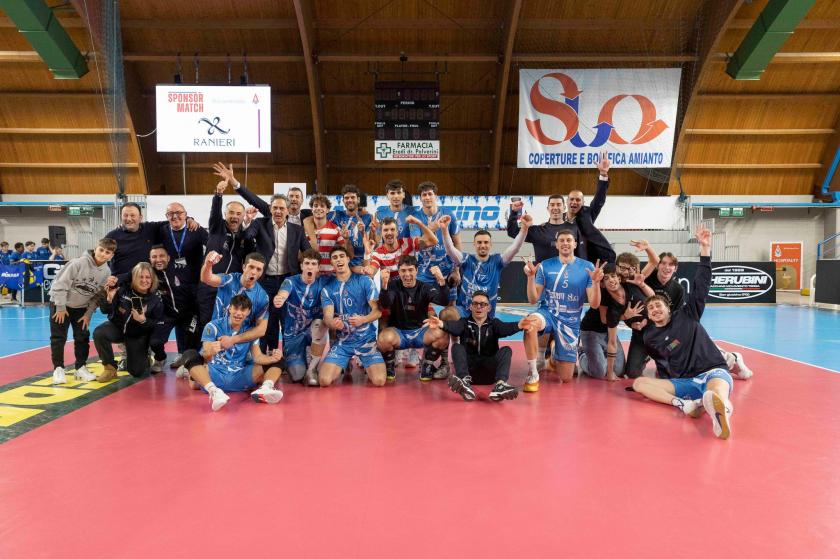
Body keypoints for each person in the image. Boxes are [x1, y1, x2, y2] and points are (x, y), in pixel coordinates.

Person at [631, 226, 735, 440]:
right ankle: (685, 404)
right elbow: (663, 364)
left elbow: (701, 286)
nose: (655, 309)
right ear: (648, 315)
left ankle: (721, 412)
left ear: (669, 308)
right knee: (639, 383)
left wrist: (705, 249)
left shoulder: (688, 314)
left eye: (658, 305)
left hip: (712, 371)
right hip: (686, 383)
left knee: (716, 391)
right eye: (651, 308)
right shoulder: (650, 337)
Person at [214, 163, 311, 351]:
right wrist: (247, 223)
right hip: (265, 280)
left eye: (282, 208)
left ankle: (289, 355)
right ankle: (267, 355)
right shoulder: (260, 223)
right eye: (275, 208)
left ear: (287, 210)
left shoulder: (297, 230)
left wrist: (312, 270)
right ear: (270, 209)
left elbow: (307, 252)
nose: (278, 211)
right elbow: (246, 235)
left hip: (288, 280)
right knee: (267, 319)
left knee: (288, 319)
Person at [642, 252, 753, 380]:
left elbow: (700, 289)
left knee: (687, 336)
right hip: (660, 334)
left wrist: (705, 251)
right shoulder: (647, 280)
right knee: (669, 355)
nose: (667, 267)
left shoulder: (679, 293)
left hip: (679, 335)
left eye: (671, 264)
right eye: (663, 263)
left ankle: (732, 358)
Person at [521, 230, 604, 392]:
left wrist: (595, 283)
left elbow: (594, 304)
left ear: (575, 244)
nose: (565, 243)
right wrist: (530, 278)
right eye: (562, 240)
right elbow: (533, 299)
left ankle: (553, 356)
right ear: (557, 245)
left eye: (569, 240)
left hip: (570, 320)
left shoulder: (587, 267)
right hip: (548, 312)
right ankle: (533, 372)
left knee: (566, 378)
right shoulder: (545, 265)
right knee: (529, 325)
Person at [181, 294, 285, 411]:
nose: (238, 313)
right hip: (215, 374)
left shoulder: (251, 331)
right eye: (235, 308)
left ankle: (265, 388)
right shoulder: (213, 326)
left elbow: (258, 357)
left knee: (279, 360)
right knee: (189, 355)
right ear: (230, 308)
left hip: (239, 375)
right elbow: (205, 355)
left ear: (248, 312)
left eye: (243, 310)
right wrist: (211, 351)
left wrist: (272, 358)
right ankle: (214, 392)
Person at [426, 290, 535, 401]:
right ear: (470, 307)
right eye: (475, 304)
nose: (479, 307)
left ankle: (500, 385)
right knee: (456, 347)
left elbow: (506, 328)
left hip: (490, 373)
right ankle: (464, 383)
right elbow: (454, 327)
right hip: (469, 372)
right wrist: (441, 323)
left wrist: (519, 325)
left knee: (506, 350)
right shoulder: (464, 323)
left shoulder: (494, 324)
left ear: (489, 308)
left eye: (483, 304)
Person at [49, 237, 117, 384]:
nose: (103, 254)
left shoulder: (106, 272)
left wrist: (88, 314)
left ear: (111, 255)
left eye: (107, 252)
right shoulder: (78, 263)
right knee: (58, 337)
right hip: (60, 304)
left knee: (82, 337)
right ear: (96, 248)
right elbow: (59, 284)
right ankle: (58, 369)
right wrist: (60, 307)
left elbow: (98, 296)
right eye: (101, 250)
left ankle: (80, 367)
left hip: (81, 308)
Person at [318, 246, 386, 387]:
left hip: (366, 341)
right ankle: (345, 361)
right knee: (324, 381)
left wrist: (363, 319)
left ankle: (365, 361)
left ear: (348, 259)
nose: (339, 260)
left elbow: (378, 311)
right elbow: (327, 317)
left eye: (341, 256)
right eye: (335, 258)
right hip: (343, 343)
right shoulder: (327, 289)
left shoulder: (365, 281)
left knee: (379, 381)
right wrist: (333, 323)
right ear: (331, 263)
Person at [440, 213, 529, 318]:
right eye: (479, 242)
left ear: (490, 245)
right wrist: (444, 230)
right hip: (464, 311)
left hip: (486, 316)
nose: (483, 245)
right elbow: (450, 249)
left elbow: (515, 248)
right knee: (446, 314)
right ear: (474, 244)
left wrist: (524, 229)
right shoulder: (466, 259)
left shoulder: (497, 261)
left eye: (486, 242)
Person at [377, 255, 450, 381]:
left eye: (410, 270)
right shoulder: (393, 285)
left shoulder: (424, 287)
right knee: (383, 339)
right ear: (399, 272)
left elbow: (443, 301)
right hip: (398, 333)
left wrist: (441, 281)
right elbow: (385, 304)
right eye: (403, 271)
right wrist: (384, 285)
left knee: (443, 335)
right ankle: (389, 366)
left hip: (421, 332)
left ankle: (427, 365)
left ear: (417, 270)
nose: (407, 274)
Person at [578, 263, 652, 381]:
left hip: (608, 330)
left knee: (620, 371)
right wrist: (610, 373)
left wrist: (632, 321)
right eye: (606, 278)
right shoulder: (605, 298)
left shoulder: (628, 288)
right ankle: (582, 353)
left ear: (619, 278)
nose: (611, 280)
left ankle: (599, 355)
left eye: (613, 276)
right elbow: (605, 322)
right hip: (591, 331)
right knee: (600, 372)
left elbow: (652, 295)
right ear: (603, 284)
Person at [93, 262, 164, 382]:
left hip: (138, 335)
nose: (144, 280)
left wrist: (143, 320)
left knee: (137, 372)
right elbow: (105, 311)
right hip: (119, 328)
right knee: (99, 333)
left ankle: (144, 355)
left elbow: (157, 326)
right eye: (140, 277)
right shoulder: (123, 290)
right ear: (134, 278)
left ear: (152, 280)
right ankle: (110, 368)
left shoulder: (156, 300)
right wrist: (109, 300)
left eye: (147, 277)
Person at [199, 251, 269, 362]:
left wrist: (233, 340)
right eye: (251, 267)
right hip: (217, 337)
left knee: (259, 366)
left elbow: (261, 330)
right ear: (244, 267)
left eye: (258, 269)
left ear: (261, 273)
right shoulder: (229, 280)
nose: (253, 272)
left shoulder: (262, 296)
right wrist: (208, 264)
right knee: (197, 362)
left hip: (241, 343)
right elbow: (206, 278)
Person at [273, 249, 330, 386]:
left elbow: (345, 276)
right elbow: (283, 293)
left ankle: (312, 367)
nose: (310, 267)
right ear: (301, 266)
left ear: (318, 268)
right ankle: (298, 358)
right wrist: (279, 298)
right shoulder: (290, 281)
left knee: (320, 323)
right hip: (293, 334)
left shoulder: (324, 282)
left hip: (313, 331)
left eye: (313, 264)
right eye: (307, 263)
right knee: (297, 376)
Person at [105, 202, 200, 277]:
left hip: (147, 282)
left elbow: (173, 220)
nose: (129, 219)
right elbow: (103, 258)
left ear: (140, 217)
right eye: (125, 215)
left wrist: (188, 219)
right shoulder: (112, 236)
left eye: (133, 215)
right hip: (122, 283)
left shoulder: (150, 228)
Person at [148, 245, 199, 373]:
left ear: (169, 257)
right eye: (154, 257)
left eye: (162, 256)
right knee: (155, 342)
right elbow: (130, 275)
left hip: (188, 312)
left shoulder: (181, 264)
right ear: (150, 259)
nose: (158, 259)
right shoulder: (148, 272)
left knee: (193, 338)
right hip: (167, 314)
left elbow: (196, 262)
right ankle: (160, 358)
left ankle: (186, 359)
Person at [410, 181, 461, 299]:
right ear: (420, 198)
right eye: (424, 195)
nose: (427, 197)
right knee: (422, 305)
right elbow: (418, 245)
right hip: (424, 272)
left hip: (447, 270)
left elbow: (457, 243)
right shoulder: (415, 217)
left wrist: (456, 270)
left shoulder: (448, 214)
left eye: (430, 194)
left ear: (435, 196)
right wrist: (432, 229)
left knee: (450, 306)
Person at [566, 151, 616, 264]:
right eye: (572, 199)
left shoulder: (587, 213)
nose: (574, 202)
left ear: (583, 203)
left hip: (594, 260)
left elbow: (599, 199)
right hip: (571, 262)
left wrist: (603, 174)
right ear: (567, 201)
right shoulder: (560, 219)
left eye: (578, 200)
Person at [507, 194, 584, 262]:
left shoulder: (575, 229)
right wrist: (514, 212)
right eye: (552, 205)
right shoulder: (537, 231)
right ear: (548, 208)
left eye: (558, 204)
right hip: (543, 273)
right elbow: (513, 232)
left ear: (564, 208)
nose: (555, 207)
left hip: (568, 273)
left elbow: (582, 255)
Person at [159, 201, 208, 283]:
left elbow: (212, 247)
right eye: (170, 213)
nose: (175, 216)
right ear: (166, 216)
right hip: (173, 278)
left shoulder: (196, 229)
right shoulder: (162, 231)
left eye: (178, 213)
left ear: (185, 215)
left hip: (196, 278)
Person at [302, 194, 352, 275]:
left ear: (327, 210)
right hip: (312, 275)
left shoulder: (336, 229)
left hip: (331, 275)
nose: (318, 208)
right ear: (311, 209)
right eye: (315, 206)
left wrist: (346, 239)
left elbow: (345, 253)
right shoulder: (304, 230)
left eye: (322, 206)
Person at [328, 184, 372, 274]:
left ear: (358, 199)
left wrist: (363, 233)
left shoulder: (368, 217)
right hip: (340, 265)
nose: (350, 200)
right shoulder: (335, 215)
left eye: (352, 197)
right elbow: (312, 219)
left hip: (361, 266)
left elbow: (374, 242)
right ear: (343, 200)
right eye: (346, 198)